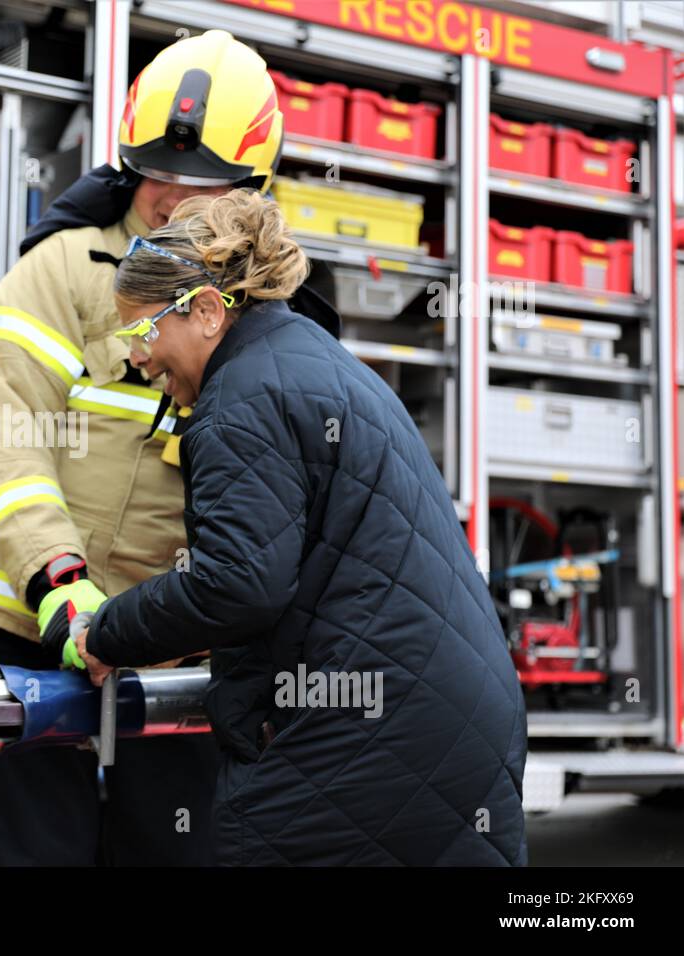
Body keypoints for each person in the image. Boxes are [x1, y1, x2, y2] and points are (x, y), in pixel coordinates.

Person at [74, 188, 529, 866]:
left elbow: (238, 585)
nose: (136, 357)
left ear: (204, 311)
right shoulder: (316, 361)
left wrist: (108, 632)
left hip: (362, 747)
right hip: (449, 722)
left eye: (141, 332)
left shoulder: (240, 403)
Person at [0, 29, 294, 866]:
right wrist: (59, 583)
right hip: (26, 621)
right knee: (39, 854)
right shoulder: (64, 269)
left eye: (200, 189)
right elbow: (9, 434)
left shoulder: (259, 310)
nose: (170, 200)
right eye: (157, 175)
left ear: (248, 191)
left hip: (172, 643)